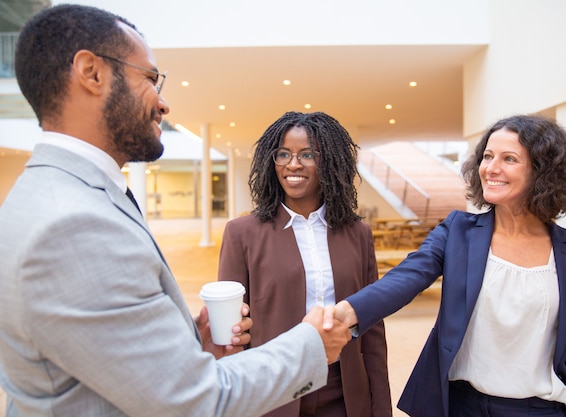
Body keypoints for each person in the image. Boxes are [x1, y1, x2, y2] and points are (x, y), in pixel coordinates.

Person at [0, 5, 351, 417]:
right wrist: (311, 344)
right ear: (91, 73)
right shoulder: (72, 223)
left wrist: (187, 343)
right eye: (150, 78)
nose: (163, 104)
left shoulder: (58, 194)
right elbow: (196, 401)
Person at [333, 114, 566, 417]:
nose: (491, 168)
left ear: (544, 172)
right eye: (487, 156)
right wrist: (347, 311)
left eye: (509, 159)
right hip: (462, 406)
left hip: (542, 409)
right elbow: (407, 277)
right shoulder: (458, 231)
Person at [218, 111, 392, 417]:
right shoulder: (242, 233)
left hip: (345, 393)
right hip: (272, 392)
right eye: (283, 154)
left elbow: (373, 330)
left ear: (330, 163)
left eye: (307, 154)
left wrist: (380, 407)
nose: (293, 164)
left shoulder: (358, 234)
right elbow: (231, 332)